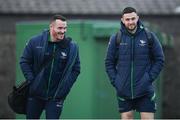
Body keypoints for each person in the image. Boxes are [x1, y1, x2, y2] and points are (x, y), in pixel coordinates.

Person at [105, 7, 164, 119]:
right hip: (124, 90)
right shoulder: (116, 38)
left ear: (137, 18)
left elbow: (160, 59)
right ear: (122, 20)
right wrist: (116, 81)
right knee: (127, 117)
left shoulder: (149, 36)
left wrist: (149, 78)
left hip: (145, 90)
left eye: (133, 18)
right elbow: (109, 62)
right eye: (127, 19)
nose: (131, 22)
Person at [20, 15, 80, 119]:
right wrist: (32, 80)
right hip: (35, 94)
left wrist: (65, 86)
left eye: (65, 28)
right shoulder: (34, 42)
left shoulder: (72, 47)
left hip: (56, 96)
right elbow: (24, 61)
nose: (63, 31)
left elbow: (76, 69)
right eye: (60, 28)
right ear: (51, 27)